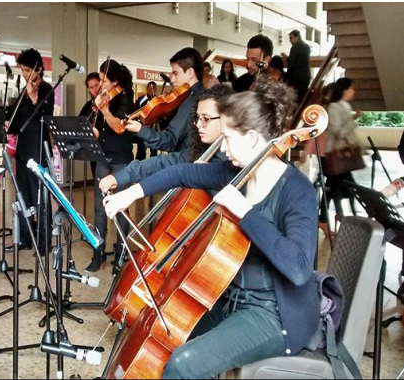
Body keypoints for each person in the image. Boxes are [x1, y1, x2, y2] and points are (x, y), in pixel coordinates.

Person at [104, 78, 321, 379]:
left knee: (183, 363)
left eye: (229, 138)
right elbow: (183, 172)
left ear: (254, 139)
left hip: (275, 315)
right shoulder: (238, 174)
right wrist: (131, 193)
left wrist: (244, 211)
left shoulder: (298, 192)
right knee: (166, 331)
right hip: (232, 298)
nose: (223, 147)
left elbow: (298, 268)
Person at [99, 84, 233, 193]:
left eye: (206, 118)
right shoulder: (199, 152)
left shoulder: (237, 160)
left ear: (228, 118)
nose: (198, 124)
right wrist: (119, 177)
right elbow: (163, 163)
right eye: (198, 118)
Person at [86, 58, 135, 273]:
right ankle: (98, 253)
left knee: (121, 208)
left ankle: (120, 255)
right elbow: (99, 131)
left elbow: (119, 128)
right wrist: (88, 132)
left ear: (115, 81)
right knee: (99, 209)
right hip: (103, 157)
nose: (101, 85)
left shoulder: (125, 99)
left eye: (104, 81)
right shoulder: (102, 98)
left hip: (121, 159)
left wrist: (105, 111)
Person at [5, 48, 54, 255]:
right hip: (23, 151)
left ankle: (44, 241)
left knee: (40, 198)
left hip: (39, 150)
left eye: (27, 70)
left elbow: (46, 116)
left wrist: (34, 100)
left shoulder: (46, 90)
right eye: (23, 70)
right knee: (22, 196)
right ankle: (26, 236)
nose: (25, 74)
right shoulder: (22, 92)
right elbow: (16, 123)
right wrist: (8, 123)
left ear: (39, 69)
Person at [124, 47, 205, 158]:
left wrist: (140, 129)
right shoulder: (204, 94)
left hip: (185, 163)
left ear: (190, 72)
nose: (172, 79)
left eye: (176, 73)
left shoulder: (191, 101)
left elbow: (169, 141)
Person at [321, 78, 363, 225]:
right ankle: (340, 214)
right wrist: (353, 120)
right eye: (352, 88)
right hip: (336, 154)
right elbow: (338, 131)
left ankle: (335, 214)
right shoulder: (334, 107)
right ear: (345, 90)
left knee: (335, 187)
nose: (354, 92)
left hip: (340, 153)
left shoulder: (344, 106)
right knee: (340, 186)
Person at [79, 72, 102, 176]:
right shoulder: (89, 105)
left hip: (107, 148)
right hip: (94, 148)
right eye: (91, 87)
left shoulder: (109, 102)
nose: (95, 89)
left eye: (97, 85)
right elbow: (80, 121)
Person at [282, 30, 312, 102]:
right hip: (306, 76)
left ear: (297, 37)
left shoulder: (295, 47)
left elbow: (292, 63)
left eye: (291, 38)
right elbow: (301, 60)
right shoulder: (307, 47)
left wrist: (287, 77)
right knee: (302, 99)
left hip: (296, 78)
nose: (290, 40)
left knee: (295, 99)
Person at [133, 81, 158, 161]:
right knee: (141, 149)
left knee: (154, 150)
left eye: (153, 88)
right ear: (147, 89)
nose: (152, 90)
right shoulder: (141, 100)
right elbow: (136, 112)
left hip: (154, 128)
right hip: (143, 127)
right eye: (150, 89)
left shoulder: (158, 99)